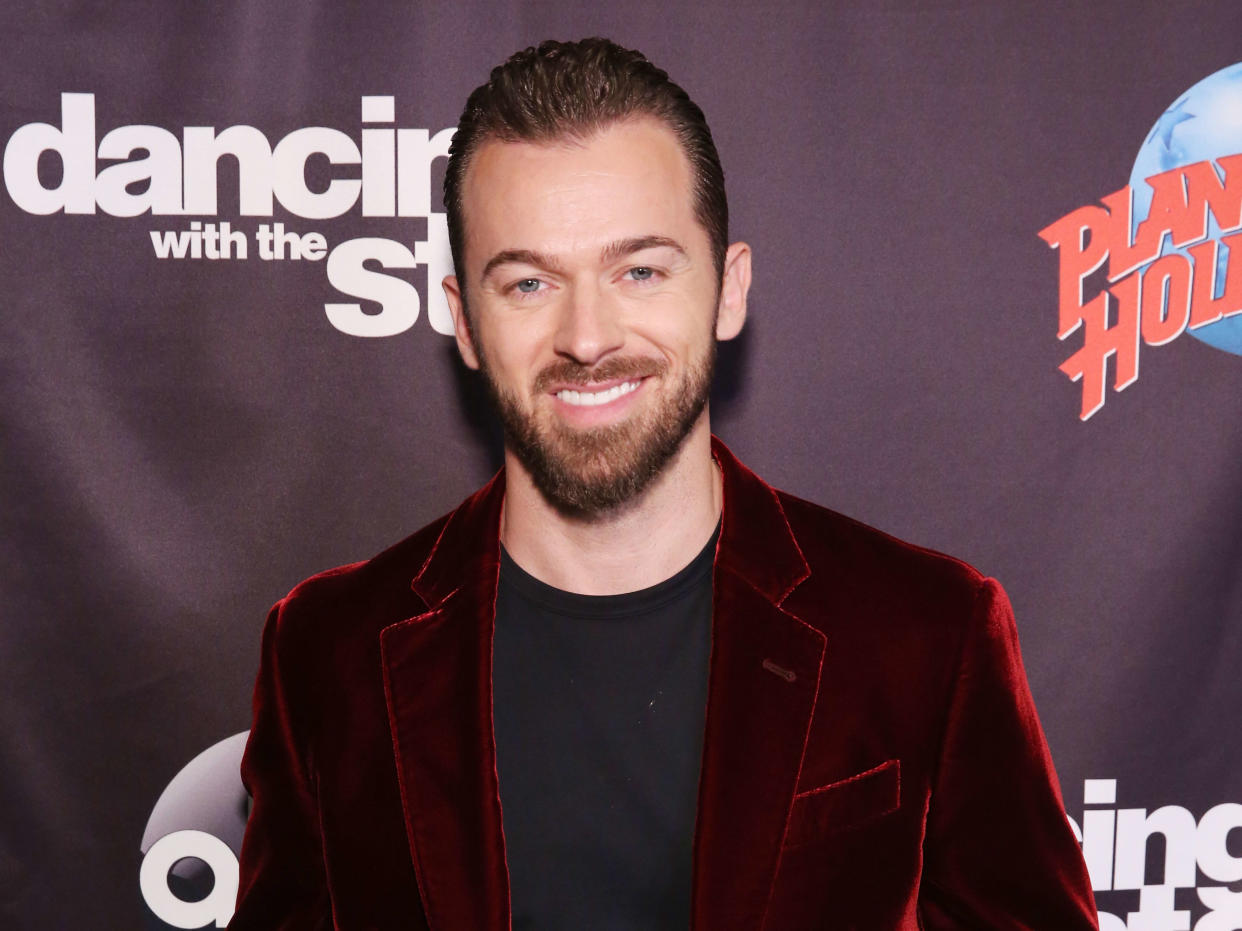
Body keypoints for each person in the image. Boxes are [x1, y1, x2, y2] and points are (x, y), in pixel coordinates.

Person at [230, 38, 1098, 930]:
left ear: (728, 289)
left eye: (639, 270)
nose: (589, 336)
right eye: (529, 282)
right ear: (463, 322)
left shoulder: (928, 633)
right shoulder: (328, 651)